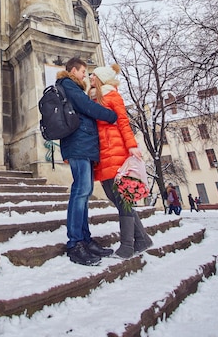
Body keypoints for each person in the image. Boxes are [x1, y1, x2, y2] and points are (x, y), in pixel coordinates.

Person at [56, 57, 118, 266]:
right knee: (80, 191)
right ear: (74, 70)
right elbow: (86, 107)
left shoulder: (73, 86)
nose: (85, 75)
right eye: (83, 71)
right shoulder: (68, 84)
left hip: (83, 145)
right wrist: (111, 116)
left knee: (84, 191)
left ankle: (85, 239)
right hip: (78, 145)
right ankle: (75, 243)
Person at [90, 64, 153, 259]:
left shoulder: (112, 96)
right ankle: (142, 239)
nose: (90, 76)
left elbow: (124, 122)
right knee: (114, 197)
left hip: (115, 152)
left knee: (122, 199)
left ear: (101, 79)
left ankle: (127, 245)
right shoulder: (93, 97)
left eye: (94, 75)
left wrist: (132, 146)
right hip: (103, 154)